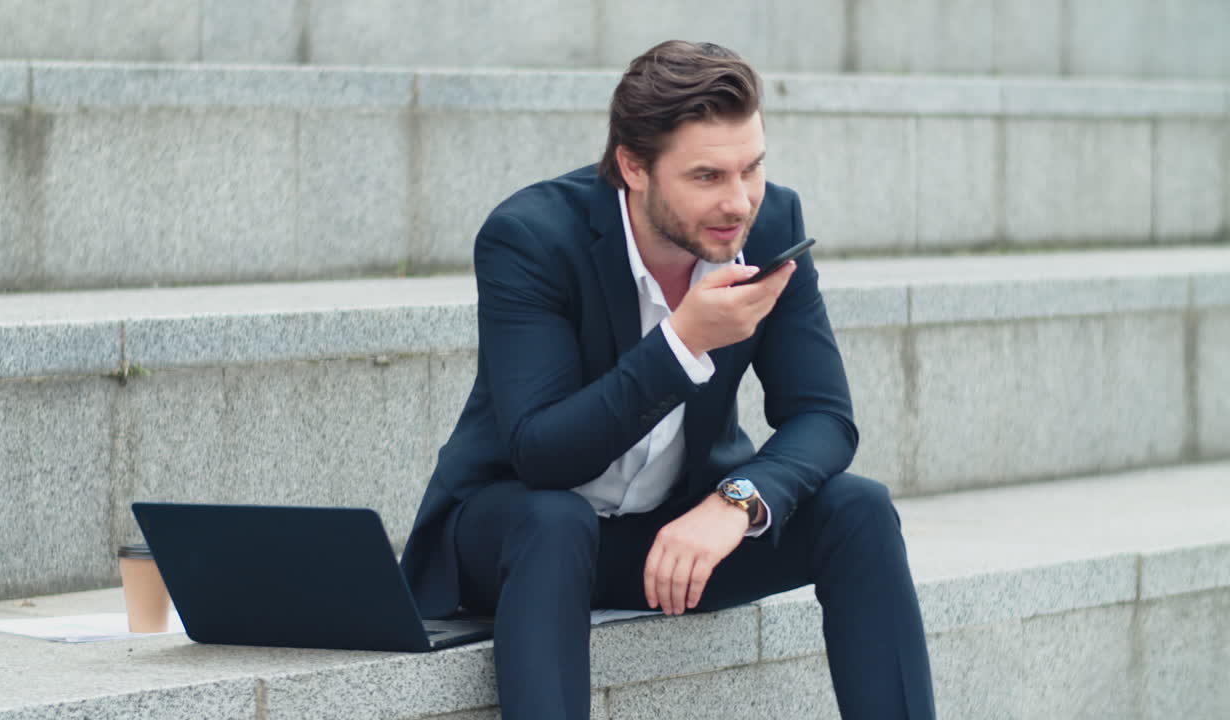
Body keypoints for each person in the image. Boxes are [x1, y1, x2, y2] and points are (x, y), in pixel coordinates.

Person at [399, 40, 936, 719]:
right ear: (634, 167)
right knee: (557, 519)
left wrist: (738, 500)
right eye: (707, 177)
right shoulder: (532, 237)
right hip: (518, 535)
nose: (739, 203)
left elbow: (824, 415)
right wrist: (684, 342)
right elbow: (542, 452)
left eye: (752, 168)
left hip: (667, 540)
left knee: (859, 510)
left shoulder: (771, 224)